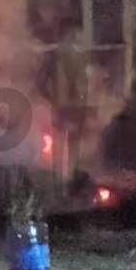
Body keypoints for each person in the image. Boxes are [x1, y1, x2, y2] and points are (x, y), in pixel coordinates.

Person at [36, 17, 89, 198]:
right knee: (64, 145)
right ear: (68, 34)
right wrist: (52, 99)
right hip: (66, 107)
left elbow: (84, 81)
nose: (77, 36)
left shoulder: (78, 56)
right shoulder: (56, 56)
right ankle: (61, 185)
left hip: (71, 107)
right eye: (74, 33)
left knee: (69, 145)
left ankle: (65, 184)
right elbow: (41, 82)